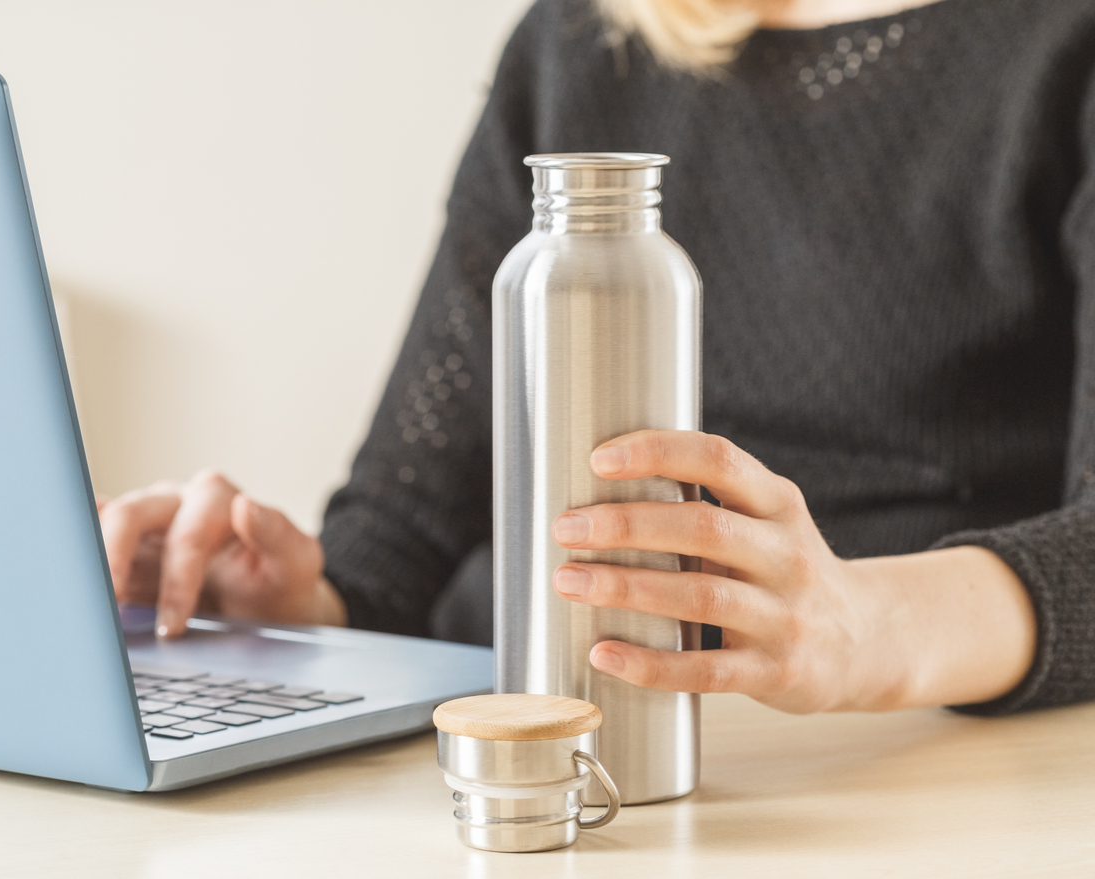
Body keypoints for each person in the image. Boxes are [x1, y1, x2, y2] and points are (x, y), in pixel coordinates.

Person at [99, 0, 1095, 717]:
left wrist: (865, 628)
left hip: (883, 761)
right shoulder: (573, 45)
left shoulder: (1062, 47)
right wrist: (286, 608)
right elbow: (400, 537)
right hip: (510, 751)